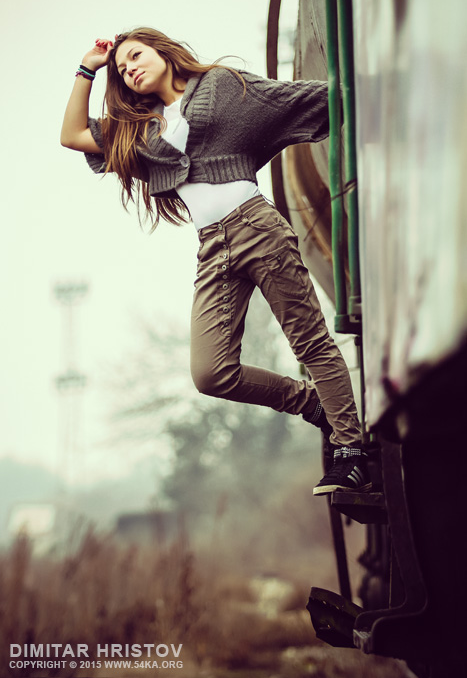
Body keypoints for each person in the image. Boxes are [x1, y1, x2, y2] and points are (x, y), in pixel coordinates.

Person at [60, 27, 371, 495]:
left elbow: (297, 99)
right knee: (210, 373)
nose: (131, 70)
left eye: (137, 57)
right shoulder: (138, 133)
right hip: (213, 248)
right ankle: (314, 404)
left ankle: (353, 454)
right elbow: (73, 135)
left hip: (257, 228)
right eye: (123, 69)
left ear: (162, 51)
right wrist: (90, 67)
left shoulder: (224, 89)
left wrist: (371, 89)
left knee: (310, 342)